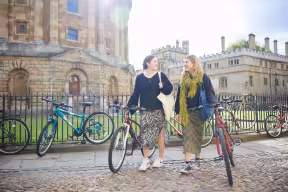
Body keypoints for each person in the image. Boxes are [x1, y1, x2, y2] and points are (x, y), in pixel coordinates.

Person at [128, 55, 173, 171]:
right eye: (154, 61)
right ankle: (146, 160)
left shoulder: (160, 76)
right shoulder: (139, 78)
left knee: (160, 135)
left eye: (156, 62)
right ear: (147, 63)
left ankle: (160, 158)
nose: (156, 64)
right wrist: (130, 106)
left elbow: (169, 90)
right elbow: (136, 93)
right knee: (146, 135)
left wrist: (162, 87)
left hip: (158, 109)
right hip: (145, 110)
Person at [175, 55, 216, 174]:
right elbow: (179, 97)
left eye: (186, 62)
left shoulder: (203, 77)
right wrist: (177, 112)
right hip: (186, 113)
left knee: (197, 137)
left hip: (199, 112)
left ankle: (197, 160)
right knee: (187, 138)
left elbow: (210, 92)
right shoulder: (183, 78)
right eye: (184, 62)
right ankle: (187, 164)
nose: (184, 64)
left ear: (194, 63)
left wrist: (213, 104)